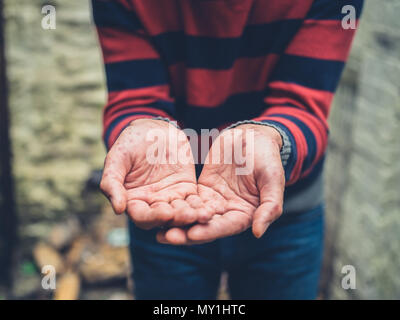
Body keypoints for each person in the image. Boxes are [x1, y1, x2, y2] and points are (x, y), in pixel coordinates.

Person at [92, 0, 363, 299]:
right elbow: (133, 96)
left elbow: (304, 104)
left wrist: (272, 141)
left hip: (285, 204)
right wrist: (138, 129)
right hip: (163, 201)